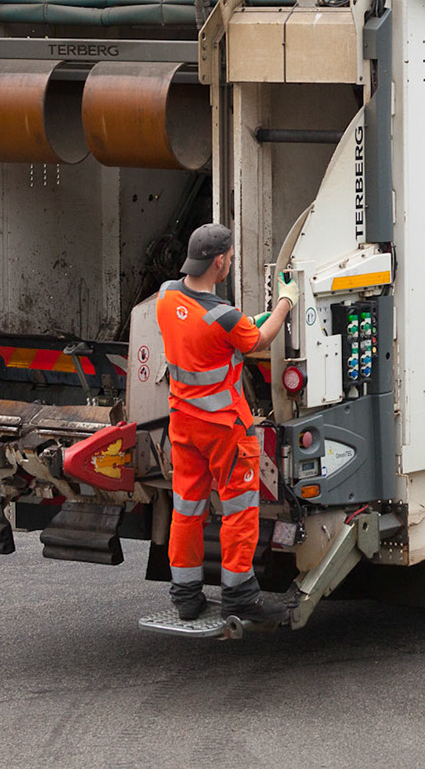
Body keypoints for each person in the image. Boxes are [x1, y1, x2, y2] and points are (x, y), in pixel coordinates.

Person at [160, 222, 296, 624]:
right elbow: (258, 340)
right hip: (224, 431)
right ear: (220, 262)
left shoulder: (167, 297)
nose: (230, 263)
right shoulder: (224, 316)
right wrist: (285, 303)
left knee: (187, 508)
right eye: (231, 258)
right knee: (238, 509)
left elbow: (214, 333)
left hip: (183, 423)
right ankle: (239, 596)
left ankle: (186, 595)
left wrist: (250, 320)